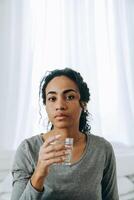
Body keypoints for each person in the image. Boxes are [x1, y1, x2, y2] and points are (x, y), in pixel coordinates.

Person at [11, 68, 119, 200]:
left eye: (70, 97)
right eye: (52, 98)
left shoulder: (102, 149)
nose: (60, 105)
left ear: (83, 103)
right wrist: (39, 172)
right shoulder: (27, 149)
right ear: (45, 105)